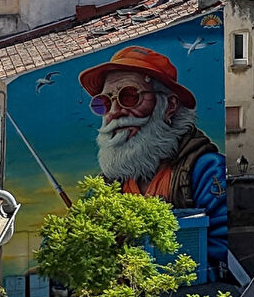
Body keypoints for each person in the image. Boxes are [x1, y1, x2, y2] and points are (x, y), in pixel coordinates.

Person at [78, 45, 227, 273]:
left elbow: (219, 247)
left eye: (129, 96)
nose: (115, 112)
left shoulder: (205, 169)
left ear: (169, 105)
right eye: (104, 103)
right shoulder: (107, 183)